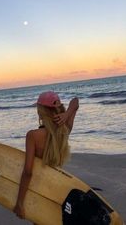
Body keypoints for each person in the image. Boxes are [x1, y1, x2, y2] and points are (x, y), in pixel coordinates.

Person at [13, 91, 79, 222]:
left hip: (38, 188)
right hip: (57, 186)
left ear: (41, 111)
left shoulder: (33, 135)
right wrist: (67, 114)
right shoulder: (65, 129)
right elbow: (75, 102)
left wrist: (20, 202)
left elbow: (28, 172)